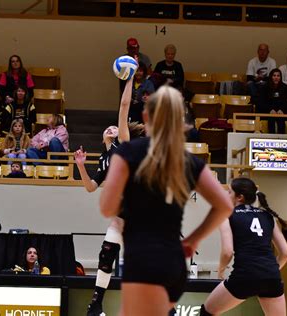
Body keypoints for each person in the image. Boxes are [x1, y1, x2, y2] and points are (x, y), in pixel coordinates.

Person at [100, 85, 233, 315]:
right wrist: (194, 240)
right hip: (174, 264)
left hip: (144, 260)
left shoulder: (129, 152)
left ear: (145, 116)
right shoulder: (189, 160)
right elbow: (225, 206)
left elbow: (106, 207)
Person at [75, 77, 145, 316]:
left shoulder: (123, 146)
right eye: (110, 127)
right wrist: (81, 166)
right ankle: (96, 305)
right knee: (106, 254)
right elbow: (91, 187)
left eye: (115, 127)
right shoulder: (104, 159)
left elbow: (124, 108)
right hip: (121, 214)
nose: (111, 128)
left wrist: (130, 77)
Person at [200, 178, 287, 316]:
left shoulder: (226, 215)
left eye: (229, 192)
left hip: (245, 275)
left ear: (239, 197)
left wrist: (221, 271)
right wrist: (268, 271)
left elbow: (227, 252)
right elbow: (285, 254)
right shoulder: (268, 216)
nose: (226, 195)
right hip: (272, 276)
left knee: (207, 312)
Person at [257, 68, 287, 134]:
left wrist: (281, 109)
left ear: (280, 77)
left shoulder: (285, 88)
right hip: (268, 111)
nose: (276, 77)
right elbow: (262, 102)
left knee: (281, 119)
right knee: (271, 118)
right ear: (271, 77)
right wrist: (270, 109)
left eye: (278, 76)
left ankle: (282, 139)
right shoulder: (264, 87)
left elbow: (286, 102)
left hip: (280, 112)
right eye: (274, 75)